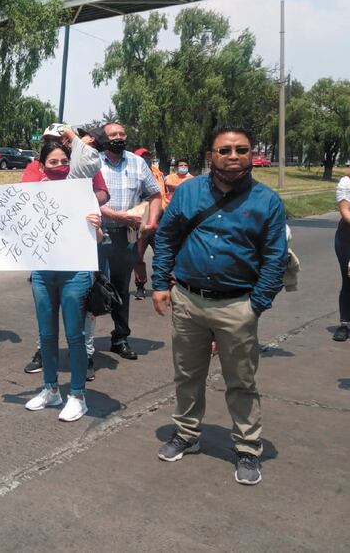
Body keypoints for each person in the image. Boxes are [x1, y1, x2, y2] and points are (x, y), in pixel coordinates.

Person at [152, 125, 287, 486]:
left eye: (241, 150)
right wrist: (160, 284)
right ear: (210, 156)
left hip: (238, 304)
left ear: (250, 155)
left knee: (241, 380)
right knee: (187, 374)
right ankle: (186, 434)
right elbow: (166, 237)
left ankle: (247, 447)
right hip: (188, 301)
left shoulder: (267, 202)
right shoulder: (188, 192)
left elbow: (275, 259)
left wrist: (255, 305)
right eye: (224, 150)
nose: (232, 157)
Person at [23, 141, 101, 422]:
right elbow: (17, 230)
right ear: (41, 166)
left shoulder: (83, 193)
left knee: (74, 336)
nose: (59, 167)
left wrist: (96, 227)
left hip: (75, 273)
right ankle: (51, 388)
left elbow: (99, 238)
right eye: (52, 162)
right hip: (43, 273)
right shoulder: (29, 194)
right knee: (46, 335)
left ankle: (78, 395)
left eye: (63, 161)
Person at [98, 123, 162, 360]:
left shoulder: (137, 163)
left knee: (121, 288)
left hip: (125, 237)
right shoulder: (94, 163)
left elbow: (154, 195)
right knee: (90, 289)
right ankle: (86, 345)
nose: (118, 138)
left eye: (122, 134)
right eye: (113, 135)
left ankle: (120, 337)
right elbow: (84, 199)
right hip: (97, 234)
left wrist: (153, 222)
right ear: (104, 140)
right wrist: (115, 215)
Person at [132, 147, 167, 301]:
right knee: (138, 255)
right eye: (142, 157)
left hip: (160, 217)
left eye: (147, 156)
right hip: (141, 218)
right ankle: (140, 285)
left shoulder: (158, 173)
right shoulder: (132, 173)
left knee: (162, 253)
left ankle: (163, 284)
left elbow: (162, 194)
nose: (145, 159)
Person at [334, 172, 350, 341]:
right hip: (348, 238)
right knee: (349, 279)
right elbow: (345, 211)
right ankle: (345, 324)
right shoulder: (346, 182)